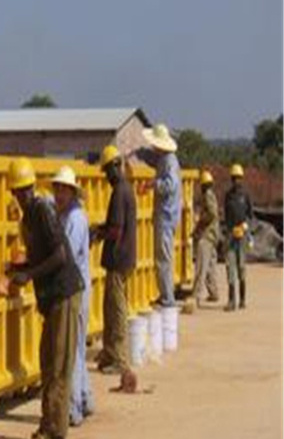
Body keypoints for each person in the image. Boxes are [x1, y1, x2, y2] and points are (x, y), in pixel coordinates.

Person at [6, 157, 84, 439]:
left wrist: (28, 274)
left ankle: (56, 430)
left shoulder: (42, 211)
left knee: (58, 362)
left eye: (24, 190)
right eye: (17, 191)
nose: (21, 196)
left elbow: (60, 256)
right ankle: (47, 424)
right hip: (52, 297)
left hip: (63, 292)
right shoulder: (29, 217)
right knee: (47, 359)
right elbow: (41, 256)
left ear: (31, 189)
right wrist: (16, 270)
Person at [50, 165, 94, 426]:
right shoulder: (67, 215)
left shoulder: (75, 219)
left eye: (62, 190)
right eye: (56, 189)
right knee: (76, 345)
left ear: (71, 191)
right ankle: (85, 398)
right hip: (76, 286)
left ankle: (74, 407)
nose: (58, 194)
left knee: (73, 350)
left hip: (76, 289)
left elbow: (65, 255)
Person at [91, 145, 137, 377]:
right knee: (110, 307)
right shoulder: (126, 189)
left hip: (119, 258)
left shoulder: (119, 192)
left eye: (108, 170)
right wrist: (100, 229)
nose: (107, 176)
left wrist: (98, 234)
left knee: (116, 309)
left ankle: (119, 358)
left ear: (116, 167)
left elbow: (116, 230)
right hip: (123, 258)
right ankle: (110, 353)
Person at [139, 124, 183, 307]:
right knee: (163, 257)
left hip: (166, 216)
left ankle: (167, 298)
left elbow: (170, 185)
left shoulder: (169, 161)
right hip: (167, 216)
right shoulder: (165, 159)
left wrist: (152, 184)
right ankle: (166, 295)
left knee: (163, 258)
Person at [223, 163, 253, 311]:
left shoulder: (245, 195)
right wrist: (227, 231)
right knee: (230, 267)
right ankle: (231, 301)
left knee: (241, 267)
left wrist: (246, 227)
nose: (236, 181)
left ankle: (242, 299)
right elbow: (226, 215)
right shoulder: (228, 196)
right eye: (234, 178)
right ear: (231, 179)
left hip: (242, 236)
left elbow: (250, 215)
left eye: (238, 178)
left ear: (242, 179)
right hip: (230, 235)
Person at [193, 170, 221, 307]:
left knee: (201, 266)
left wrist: (199, 222)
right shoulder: (212, 195)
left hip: (207, 236)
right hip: (213, 235)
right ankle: (213, 292)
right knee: (210, 265)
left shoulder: (208, 196)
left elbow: (211, 214)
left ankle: (196, 296)